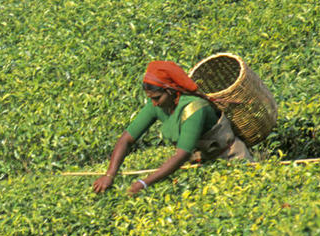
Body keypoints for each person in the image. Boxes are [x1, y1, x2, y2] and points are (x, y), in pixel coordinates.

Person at [93, 60, 252, 196]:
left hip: (230, 159)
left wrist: (144, 182)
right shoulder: (156, 105)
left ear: (170, 91)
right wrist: (109, 175)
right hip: (200, 164)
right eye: (151, 99)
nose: (154, 103)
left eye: (157, 98)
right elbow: (126, 139)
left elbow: (181, 155)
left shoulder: (194, 108)